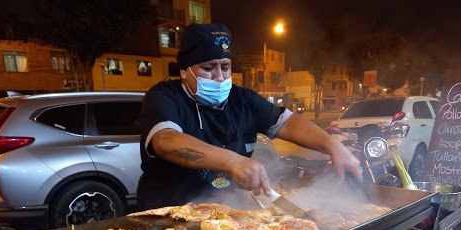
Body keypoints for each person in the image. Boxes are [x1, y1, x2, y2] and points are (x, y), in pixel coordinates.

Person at [138, 23, 361, 210]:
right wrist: (234, 161)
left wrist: (334, 146)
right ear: (185, 71)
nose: (219, 77)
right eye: (208, 68)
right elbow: (165, 141)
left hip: (227, 214)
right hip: (167, 216)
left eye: (225, 67)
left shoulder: (242, 99)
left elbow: (289, 122)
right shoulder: (165, 96)